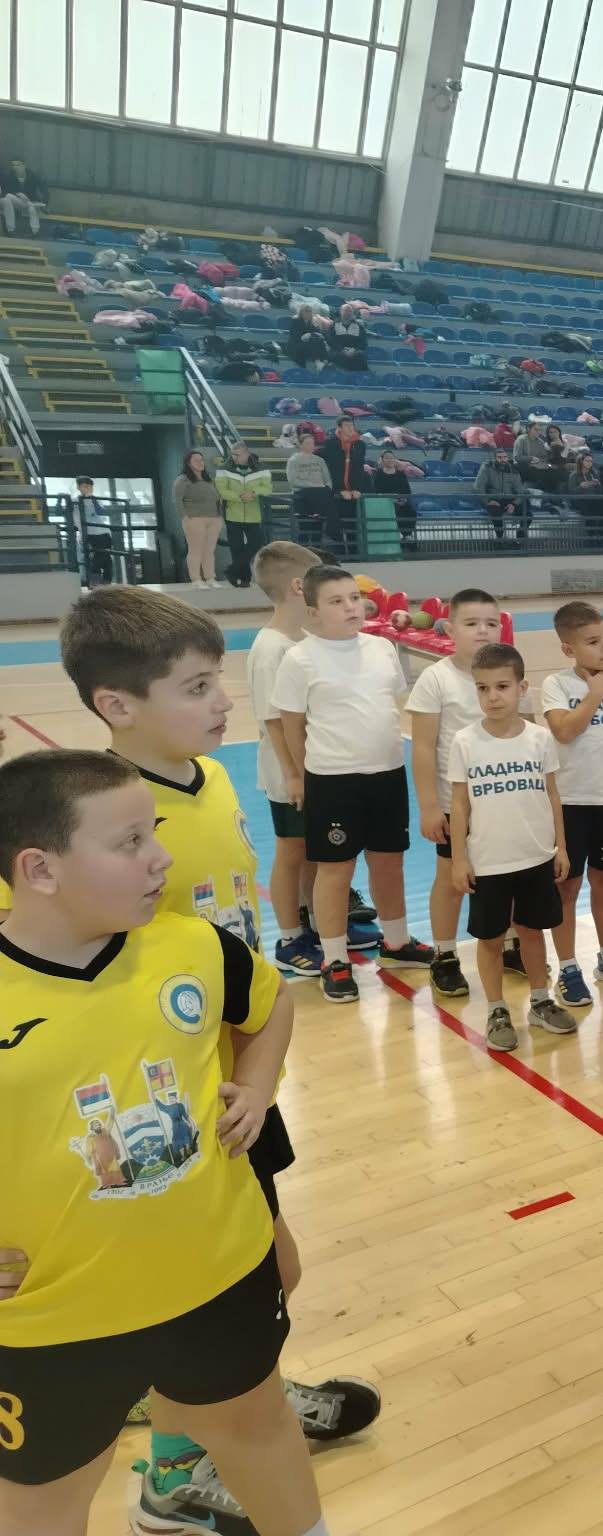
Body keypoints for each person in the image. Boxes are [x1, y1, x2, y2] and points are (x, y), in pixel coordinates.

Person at [56, 588, 384, 1519]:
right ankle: (185, 1460)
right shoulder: (99, 821)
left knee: (260, 1278)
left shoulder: (210, 778)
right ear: (117, 705)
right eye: (196, 686)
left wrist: (259, 1068)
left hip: (238, 1079)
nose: (222, 700)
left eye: (218, 680)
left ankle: (229, 1408)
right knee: (237, 1285)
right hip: (178, 1104)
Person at [0, 752, 330, 1536]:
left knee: (259, 1432)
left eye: (154, 831)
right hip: (48, 1321)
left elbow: (269, 1005)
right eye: (130, 843)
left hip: (220, 1275)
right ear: (39, 869)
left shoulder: (193, 946)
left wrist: (257, 1085)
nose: (162, 858)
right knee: (42, 1502)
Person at [272, 563, 437, 1000]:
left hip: (387, 773)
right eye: (336, 601)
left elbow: (386, 706)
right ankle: (335, 959)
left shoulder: (381, 648)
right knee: (335, 869)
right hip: (332, 780)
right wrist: (300, 775)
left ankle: (396, 943)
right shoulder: (299, 659)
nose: (350, 607)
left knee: (389, 861)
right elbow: (291, 726)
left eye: (353, 598)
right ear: (313, 612)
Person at [407, 588, 543, 1007]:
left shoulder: (513, 675)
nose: (483, 630)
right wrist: (430, 806)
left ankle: (511, 943)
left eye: (491, 623)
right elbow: (423, 747)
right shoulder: (437, 679)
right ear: (449, 629)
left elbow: (530, 735)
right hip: (458, 805)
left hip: (509, 803)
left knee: (511, 876)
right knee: (452, 880)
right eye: (471, 623)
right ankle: (445, 955)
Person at [445, 644, 569, 1051]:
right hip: (488, 862)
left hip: (535, 856)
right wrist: (459, 858)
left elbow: (553, 795)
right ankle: (497, 1009)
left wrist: (561, 848)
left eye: (502, 686)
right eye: (483, 688)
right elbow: (459, 804)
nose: (492, 697)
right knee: (491, 938)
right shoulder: (465, 742)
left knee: (532, 932)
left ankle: (540, 1000)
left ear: (522, 688)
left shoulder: (539, 739)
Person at [246, 540, 350, 979]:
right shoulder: (271, 649)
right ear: (297, 586)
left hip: (316, 764)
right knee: (292, 851)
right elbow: (273, 722)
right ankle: (289, 937)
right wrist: (294, 773)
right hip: (288, 769)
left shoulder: (302, 640)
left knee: (312, 848)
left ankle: (313, 919)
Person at [538, 602, 603, 1009]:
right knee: (567, 885)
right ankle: (567, 967)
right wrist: (595, 694)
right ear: (569, 649)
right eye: (593, 642)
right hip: (571, 805)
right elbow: (563, 731)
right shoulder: (556, 685)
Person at [216, 442, 272, 588]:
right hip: (232, 514)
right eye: (233, 454)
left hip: (254, 515)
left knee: (256, 543)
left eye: (238, 455)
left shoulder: (262, 468)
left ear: (247, 454)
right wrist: (240, 497)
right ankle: (244, 579)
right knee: (236, 547)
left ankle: (232, 570)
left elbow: (267, 488)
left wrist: (253, 493)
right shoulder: (222, 469)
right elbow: (222, 490)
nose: (234, 457)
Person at [172, 448, 224, 588]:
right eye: (196, 460)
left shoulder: (209, 478)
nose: (200, 463)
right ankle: (196, 579)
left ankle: (210, 577)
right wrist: (185, 517)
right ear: (188, 463)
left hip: (213, 518)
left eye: (202, 460)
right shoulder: (183, 479)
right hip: (194, 518)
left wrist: (220, 516)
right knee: (196, 549)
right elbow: (177, 500)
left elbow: (218, 498)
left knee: (209, 550)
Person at [315, 417, 368, 556]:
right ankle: (339, 554)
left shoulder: (360, 444)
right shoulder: (331, 443)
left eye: (351, 425)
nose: (350, 428)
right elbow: (332, 470)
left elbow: (358, 469)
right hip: (335, 490)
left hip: (353, 491)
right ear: (339, 427)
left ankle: (355, 554)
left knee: (354, 525)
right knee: (336, 524)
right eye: (347, 425)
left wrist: (357, 488)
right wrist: (339, 490)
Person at [473, 445, 526, 545]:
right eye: (499, 457)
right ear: (495, 458)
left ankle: (520, 538)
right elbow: (478, 486)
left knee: (528, 514)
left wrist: (514, 504)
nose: (503, 459)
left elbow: (520, 491)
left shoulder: (513, 471)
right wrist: (488, 501)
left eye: (505, 457)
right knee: (495, 512)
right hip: (493, 498)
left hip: (509, 499)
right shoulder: (487, 467)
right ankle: (500, 538)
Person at [368, 448, 418, 554]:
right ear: (382, 460)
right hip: (384, 503)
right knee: (395, 512)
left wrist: (402, 499)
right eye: (387, 458)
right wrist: (389, 498)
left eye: (392, 458)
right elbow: (375, 491)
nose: (390, 460)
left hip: (400, 501)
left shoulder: (401, 474)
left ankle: (407, 536)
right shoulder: (377, 474)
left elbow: (407, 491)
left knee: (410, 511)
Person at [0, 153, 47, 234]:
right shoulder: (10, 176)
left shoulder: (31, 175)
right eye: (13, 165)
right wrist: (18, 194)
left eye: (18, 165)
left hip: (26, 201)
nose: (15, 167)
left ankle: (34, 232)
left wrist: (45, 201)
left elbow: (43, 188)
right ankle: (11, 230)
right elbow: (6, 191)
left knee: (32, 209)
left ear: (24, 165)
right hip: (16, 201)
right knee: (8, 196)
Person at [287, 304, 328, 368]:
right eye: (306, 311)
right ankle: (317, 360)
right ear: (301, 312)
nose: (308, 313)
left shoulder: (311, 322)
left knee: (319, 340)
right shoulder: (295, 320)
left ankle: (323, 360)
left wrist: (312, 333)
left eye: (310, 311)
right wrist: (308, 335)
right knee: (313, 341)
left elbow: (318, 333)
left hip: (307, 345)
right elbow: (296, 336)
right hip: (296, 345)